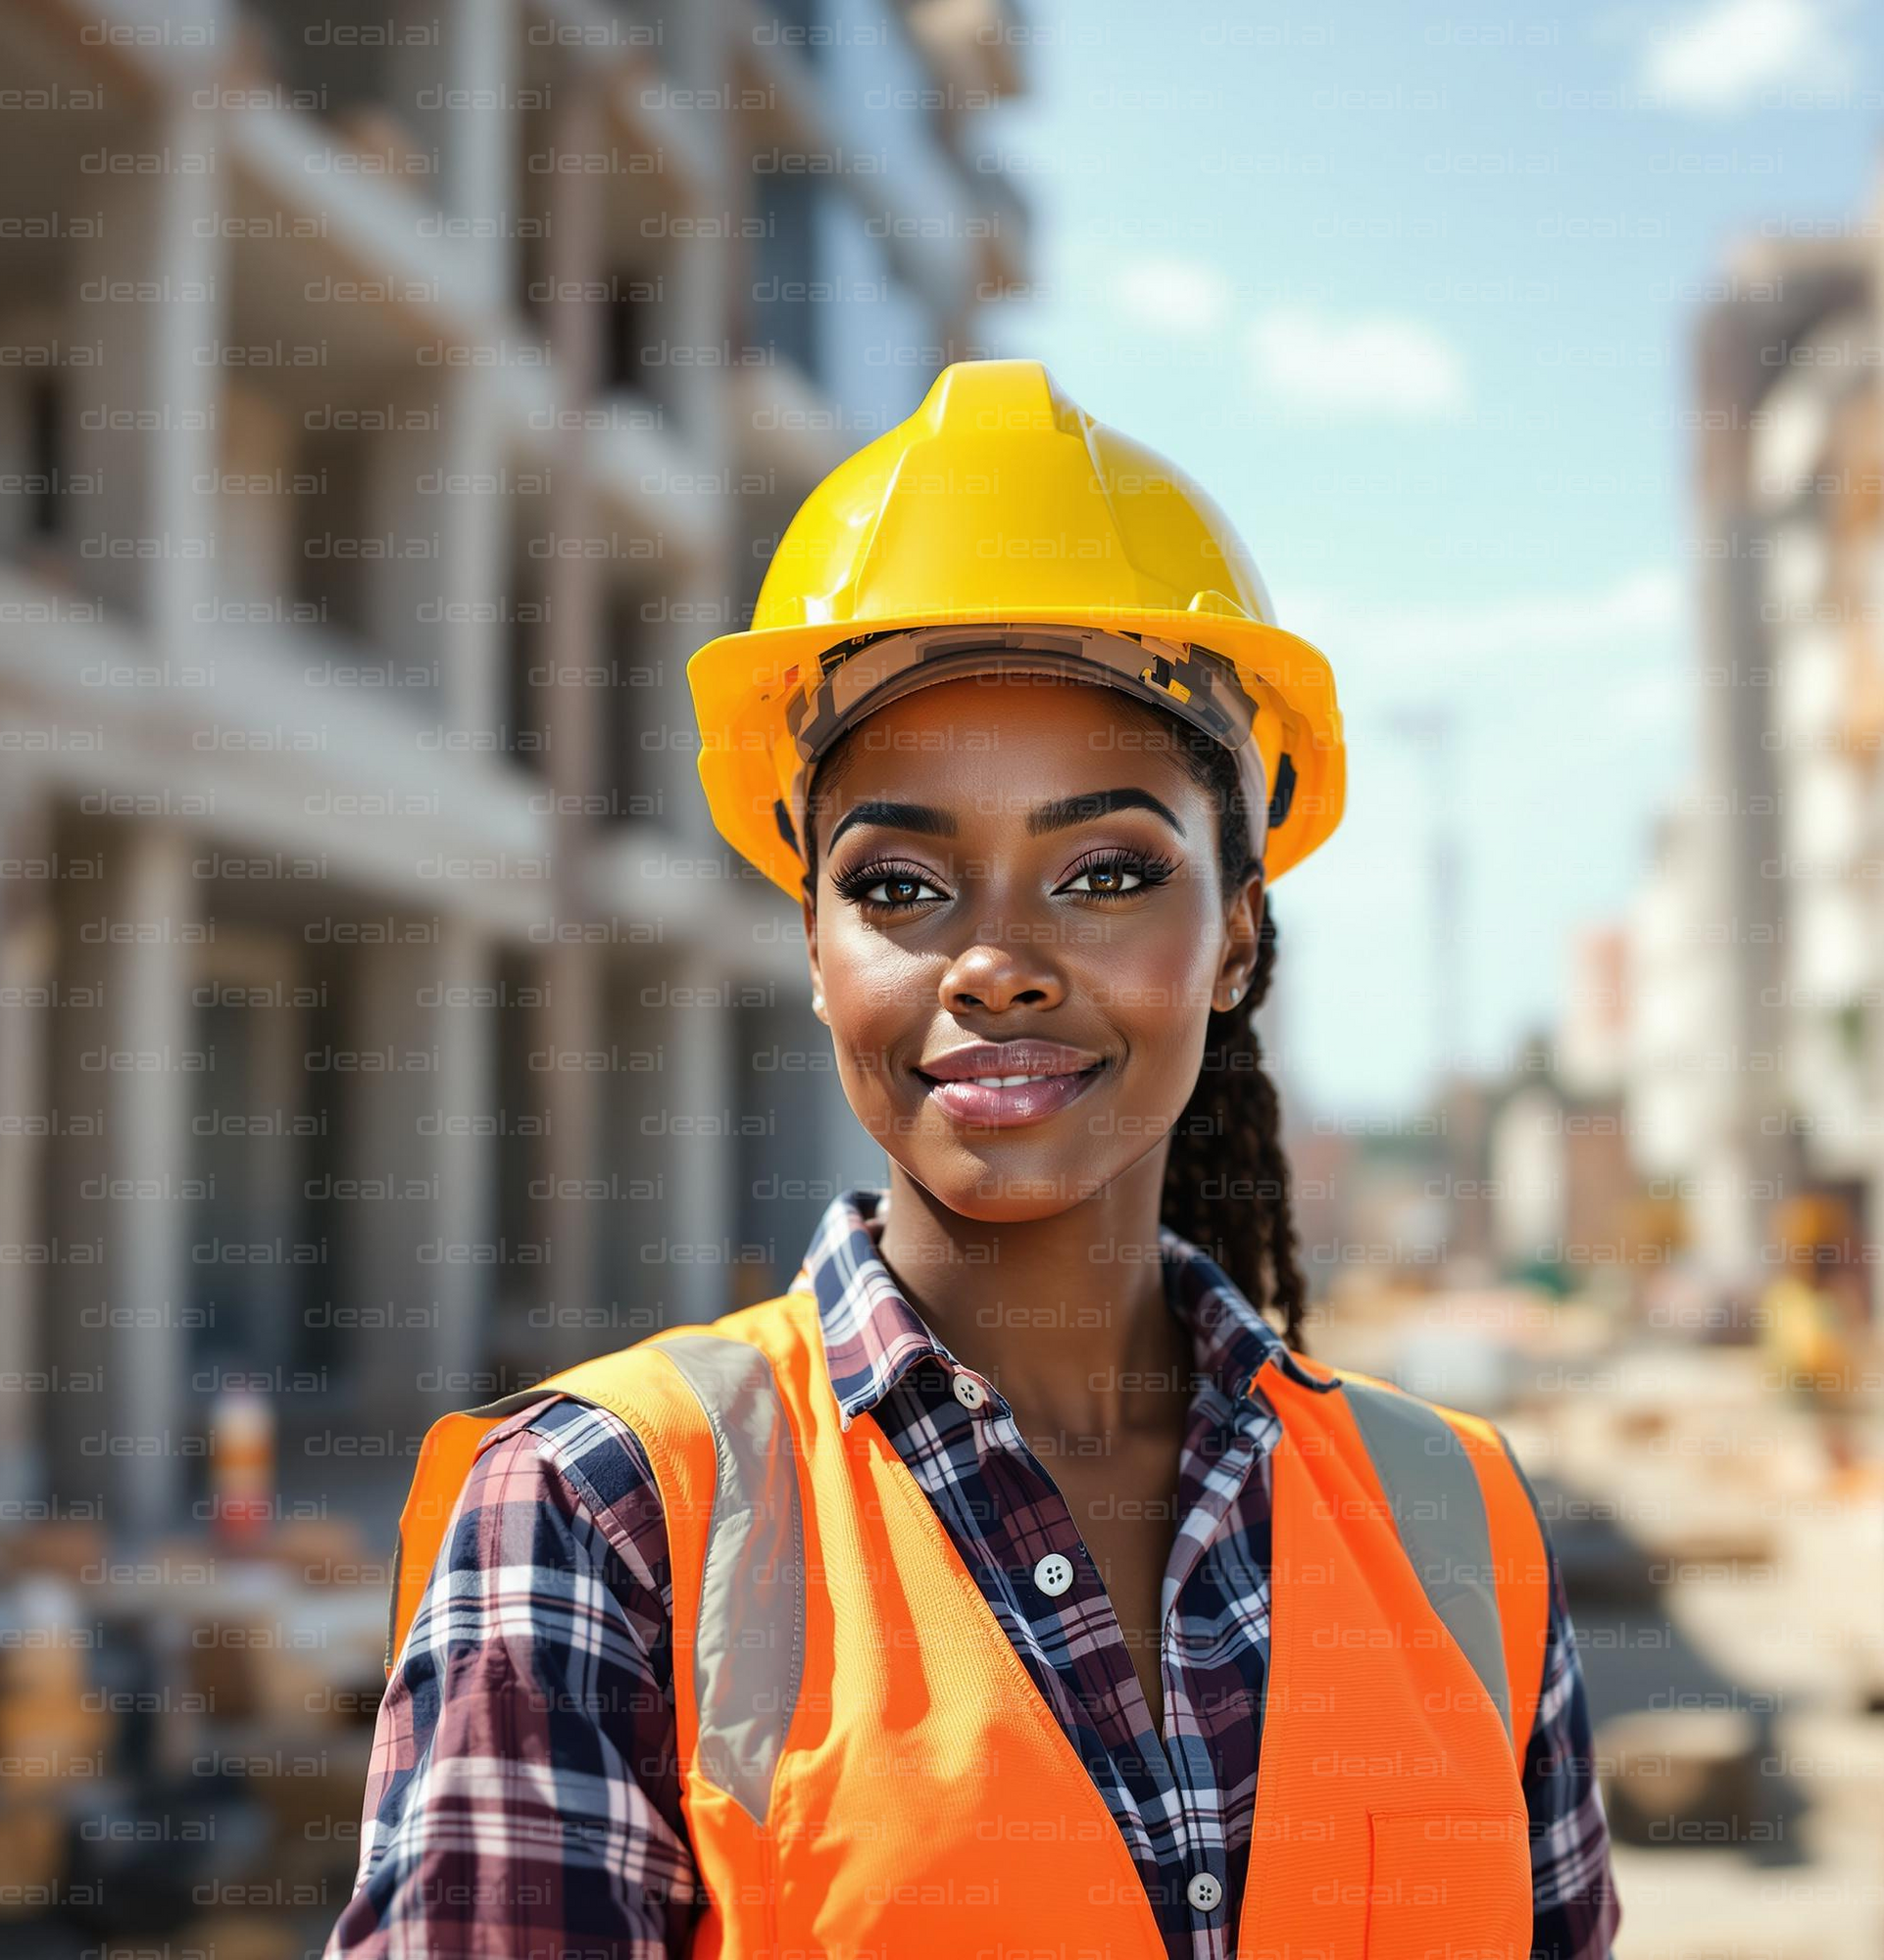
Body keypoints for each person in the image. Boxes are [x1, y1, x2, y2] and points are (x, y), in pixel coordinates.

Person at [325, 361, 1622, 1960]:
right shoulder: (608, 1522)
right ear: (814, 949)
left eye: (1104, 870)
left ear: (1237, 939)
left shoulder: (1462, 1523)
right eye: (901, 883)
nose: (996, 961)